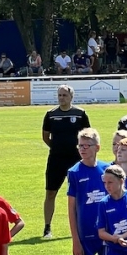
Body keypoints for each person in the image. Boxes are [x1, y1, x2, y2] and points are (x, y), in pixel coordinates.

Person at [41, 86, 91, 240]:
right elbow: (45, 137)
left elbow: (87, 136)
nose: (61, 98)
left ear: (71, 97)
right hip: (56, 159)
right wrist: (57, 148)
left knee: (80, 193)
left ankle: (82, 226)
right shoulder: (50, 115)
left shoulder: (80, 114)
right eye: (59, 95)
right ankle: (47, 227)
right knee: (50, 192)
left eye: (64, 95)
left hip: (76, 160)